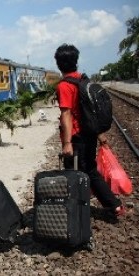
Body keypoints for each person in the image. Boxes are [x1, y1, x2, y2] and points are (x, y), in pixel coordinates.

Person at [54, 43, 125, 217]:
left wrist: (67, 143)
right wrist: (100, 135)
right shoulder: (82, 79)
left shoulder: (64, 86)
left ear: (58, 63)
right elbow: (90, 111)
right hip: (89, 135)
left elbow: (67, 114)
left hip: (77, 137)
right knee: (90, 170)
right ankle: (113, 205)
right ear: (76, 61)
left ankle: (77, 211)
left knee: (74, 174)